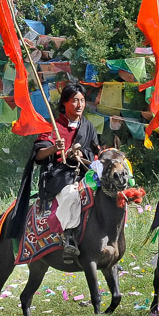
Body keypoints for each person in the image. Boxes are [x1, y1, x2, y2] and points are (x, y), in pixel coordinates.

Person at [32, 83, 99, 260]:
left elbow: (95, 151)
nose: (80, 105)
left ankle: (106, 245)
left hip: (83, 173)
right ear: (64, 103)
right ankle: (69, 237)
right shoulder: (52, 127)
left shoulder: (88, 126)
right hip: (59, 176)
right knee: (71, 193)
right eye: (75, 100)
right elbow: (38, 156)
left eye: (82, 101)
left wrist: (82, 153)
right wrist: (54, 148)